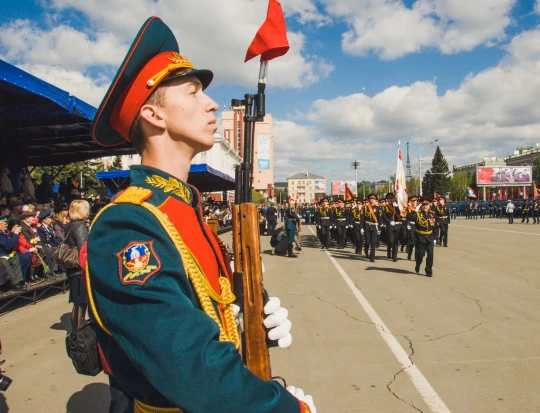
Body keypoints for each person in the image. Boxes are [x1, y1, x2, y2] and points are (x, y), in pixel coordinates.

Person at [86, 17, 312, 413]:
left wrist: (248, 322)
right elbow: (188, 367)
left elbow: (205, 315)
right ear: (153, 116)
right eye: (192, 93)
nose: (210, 102)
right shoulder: (128, 223)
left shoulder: (183, 210)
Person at [64, 200, 90, 330]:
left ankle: (76, 331)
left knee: (77, 302)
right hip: (79, 269)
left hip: (72, 268)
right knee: (81, 303)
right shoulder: (79, 226)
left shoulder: (70, 224)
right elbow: (84, 248)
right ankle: (78, 334)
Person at [409, 197, 436, 277]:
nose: (425, 206)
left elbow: (435, 226)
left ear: (429, 205)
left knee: (430, 255)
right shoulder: (417, 214)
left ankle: (428, 271)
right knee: (420, 255)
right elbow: (408, 216)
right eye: (423, 205)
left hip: (430, 237)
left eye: (426, 205)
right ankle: (418, 264)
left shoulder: (432, 214)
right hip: (420, 237)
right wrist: (414, 210)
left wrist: (436, 237)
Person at [0, 215, 25, 292]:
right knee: (4, 261)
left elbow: (8, 237)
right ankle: (14, 283)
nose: (7, 224)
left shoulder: (4, 232)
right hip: (2, 255)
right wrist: (16, 234)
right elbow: (8, 245)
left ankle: (19, 280)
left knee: (15, 258)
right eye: (5, 223)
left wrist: (12, 232)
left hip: (6, 255)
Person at [360, 194, 381, 262]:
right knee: (367, 241)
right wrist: (361, 227)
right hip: (367, 225)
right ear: (368, 200)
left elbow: (379, 219)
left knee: (373, 242)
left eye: (373, 199)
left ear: (375, 200)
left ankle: (372, 257)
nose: (371, 200)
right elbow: (362, 218)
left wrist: (379, 228)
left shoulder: (378, 208)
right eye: (370, 199)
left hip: (374, 226)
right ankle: (366, 251)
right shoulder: (365, 208)